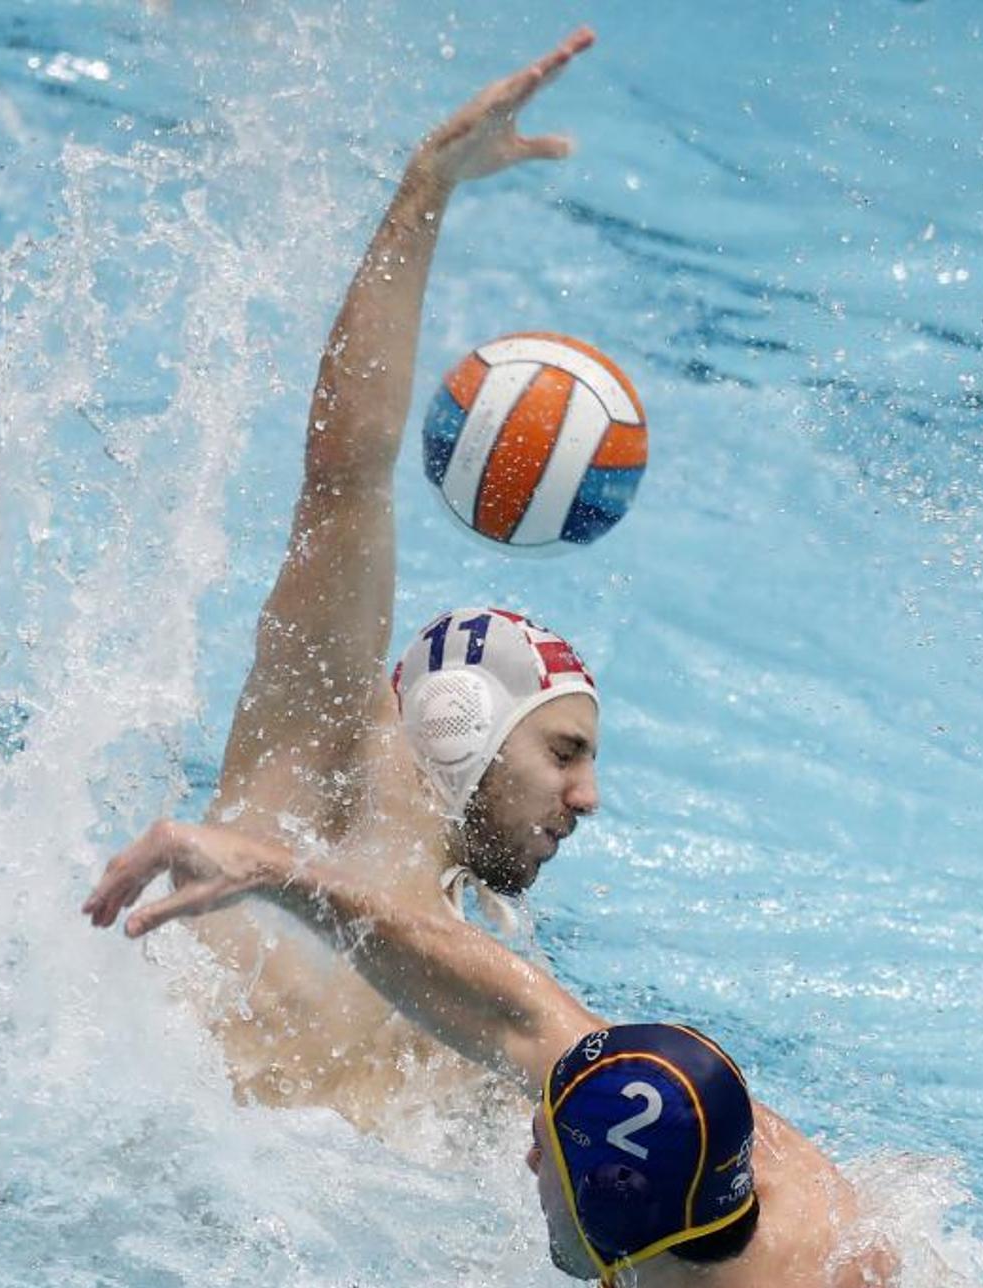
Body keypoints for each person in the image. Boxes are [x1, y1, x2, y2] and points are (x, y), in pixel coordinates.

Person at [84, 819, 898, 1288]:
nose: (526, 1167)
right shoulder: (752, 1157)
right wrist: (272, 872)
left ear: (606, 1201)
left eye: (545, 1153)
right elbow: (509, 1012)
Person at [180, 29, 601, 1124]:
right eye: (566, 750)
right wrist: (426, 190)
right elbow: (341, 480)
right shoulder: (295, 788)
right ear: (460, 716)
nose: (590, 799)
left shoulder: (479, 1012)